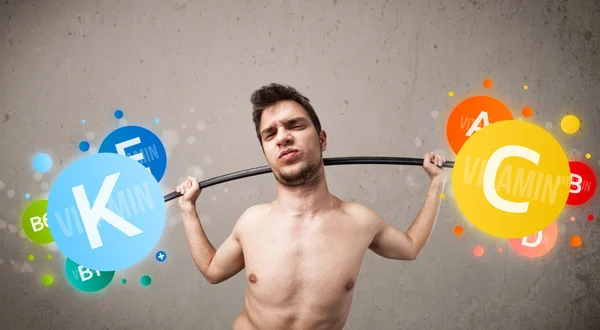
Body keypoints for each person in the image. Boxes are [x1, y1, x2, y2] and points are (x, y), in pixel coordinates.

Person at [176, 83, 447, 330]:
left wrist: (436, 184)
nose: (282, 137)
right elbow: (213, 271)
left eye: (295, 126)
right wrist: (188, 209)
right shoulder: (252, 222)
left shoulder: (360, 221)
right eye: (270, 134)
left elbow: (410, 247)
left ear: (322, 139)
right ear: (266, 153)